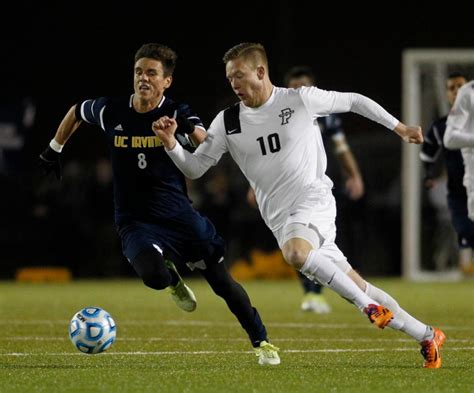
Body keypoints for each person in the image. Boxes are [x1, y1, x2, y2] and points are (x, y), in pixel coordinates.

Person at [153, 42, 445, 368]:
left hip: (314, 200)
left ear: (261, 72)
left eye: (239, 75)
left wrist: (399, 127)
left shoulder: (299, 99)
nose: (233, 83)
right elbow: (195, 167)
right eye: (229, 78)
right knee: (355, 281)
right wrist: (170, 146)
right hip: (281, 219)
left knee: (295, 253)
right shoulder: (228, 121)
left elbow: (353, 101)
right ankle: (426, 334)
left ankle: (366, 307)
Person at [38, 42, 280, 365]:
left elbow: (206, 142)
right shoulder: (112, 110)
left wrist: (187, 140)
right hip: (135, 221)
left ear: (167, 81)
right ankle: (171, 277)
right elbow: (77, 111)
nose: (143, 78)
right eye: (138, 72)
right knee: (154, 276)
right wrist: (55, 148)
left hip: (180, 217)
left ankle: (262, 341)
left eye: (152, 73)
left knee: (223, 284)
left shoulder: (177, 112)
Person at [286, 65, 365, 313]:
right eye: (295, 87)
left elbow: (341, 148)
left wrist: (354, 176)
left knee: (327, 239)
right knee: (297, 241)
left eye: (304, 86)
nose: (300, 91)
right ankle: (312, 293)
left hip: (323, 189)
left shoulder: (326, 115)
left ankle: (329, 291)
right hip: (290, 189)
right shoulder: (280, 116)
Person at [420, 73, 474, 274]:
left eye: (460, 86)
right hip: (458, 185)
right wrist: (429, 175)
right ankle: (448, 264)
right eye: (451, 88)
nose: (456, 91)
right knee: (454, 228)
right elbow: (430, 154)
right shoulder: (442, 125)